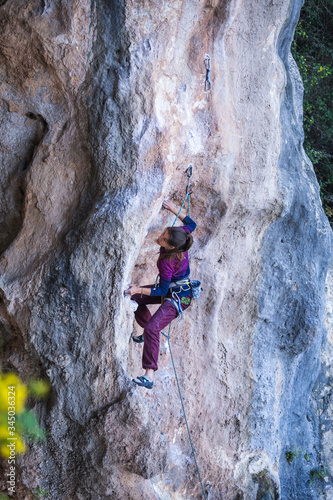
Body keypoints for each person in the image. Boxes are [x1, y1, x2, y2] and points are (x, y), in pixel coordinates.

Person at [125, 199, 197, 389]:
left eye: (164, 239)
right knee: (134, 299)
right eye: (164, 234)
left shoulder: (167, 261)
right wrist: (173, 208)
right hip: (173, 289)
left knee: (152, 328)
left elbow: (162, 291)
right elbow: (192, 224)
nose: (160, 238)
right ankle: (148, 336)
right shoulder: (180, 235)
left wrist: (139, 288)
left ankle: (149, 376)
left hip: (180, 297)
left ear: (171, 247)